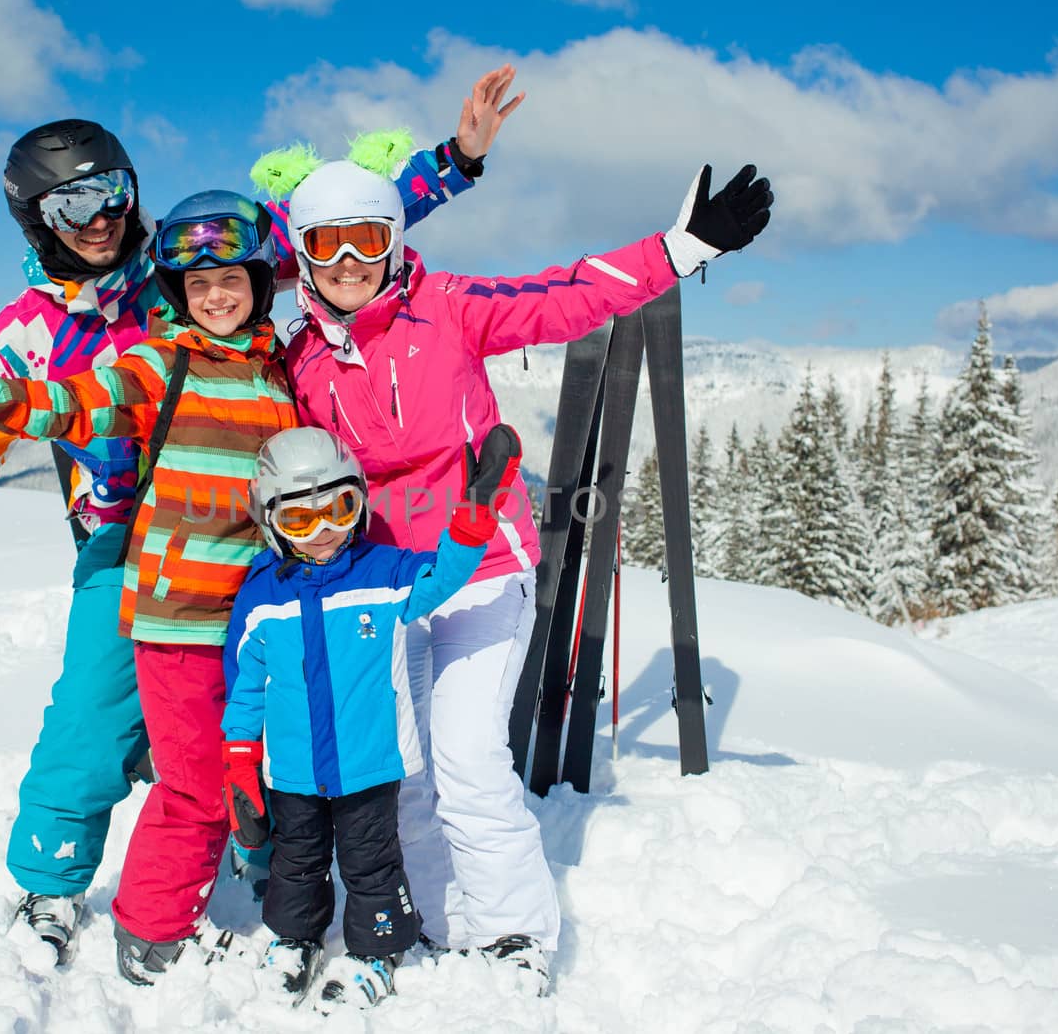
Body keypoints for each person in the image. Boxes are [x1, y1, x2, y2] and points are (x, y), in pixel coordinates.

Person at [0, 68, 520, 966]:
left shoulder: (188, 256)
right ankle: (52, 887)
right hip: (128, 541)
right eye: (70, 203)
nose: (97, 216)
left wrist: (460, 157)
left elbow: (342, 232)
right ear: (35, 218)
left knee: (262, 719)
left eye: (111, 192)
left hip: (255, 540)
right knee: (95, 722)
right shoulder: (28, 332)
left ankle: (256, 863)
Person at [270, 149, 774, 989]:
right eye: (329, 244)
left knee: (466, 754)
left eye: (368, 239)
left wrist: (681, 248)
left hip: (481, 568)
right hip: (383, 583)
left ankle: (513, 933)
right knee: (404, 769)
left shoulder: (448, 307)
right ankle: (436, 914)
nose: (351, 263)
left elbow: (566, 293)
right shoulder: (299, 361)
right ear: (305, 256)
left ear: (395, 242)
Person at [219, 424, 521, 1009]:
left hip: (369, 763)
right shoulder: (261, 593)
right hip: (293, 770)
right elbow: (246, 684)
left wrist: (473, 519)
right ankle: (296, 939)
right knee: (296, 861)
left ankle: (376, 948)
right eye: (302, 520)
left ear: (359, 500)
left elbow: (442, 578)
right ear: (270, 523)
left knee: (370, 861)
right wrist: (239, 756)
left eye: (339, 508)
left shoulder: (381, 573)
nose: (325, 531)